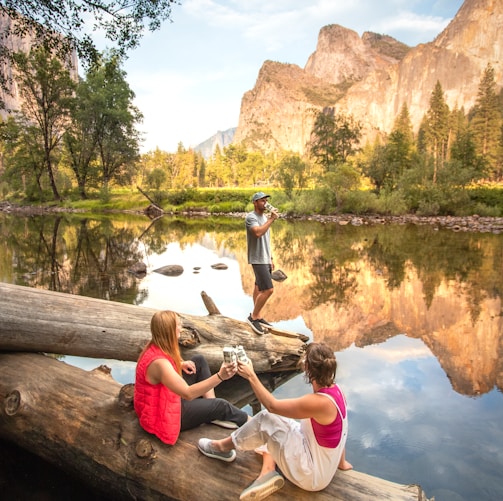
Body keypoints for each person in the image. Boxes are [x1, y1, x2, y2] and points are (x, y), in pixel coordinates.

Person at [197, 342, 352, 501]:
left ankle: (221, 447)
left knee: (266, 419)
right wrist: (341, 462)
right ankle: (268, 471)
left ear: (307, 367)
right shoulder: (336, 392)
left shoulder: (318, 402)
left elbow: (272, 406)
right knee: (278, 421)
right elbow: (342, 428)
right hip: (321, 465)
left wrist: (251, 376)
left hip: (312, 477)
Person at [134, 310, 249, 446]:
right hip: (162, 415)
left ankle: (211, 409)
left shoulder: (155, 346)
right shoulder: (160, 364)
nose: (181, 328)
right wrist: (220, 376)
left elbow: (165, 367)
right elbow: (187, 393)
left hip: (163, 400)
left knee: (198, 361)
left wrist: (181, 363)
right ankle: (251, 422)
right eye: (178, 325)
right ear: (170, 330)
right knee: (222, 405)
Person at [245, 191, 279, 335]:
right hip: (257, 259)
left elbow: (266, 240)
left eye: (266, 200)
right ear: (255, 202)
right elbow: (258, 233)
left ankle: (257, 316)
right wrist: (271, 220)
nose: (265, 203)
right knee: (269, 290)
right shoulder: (251, 217)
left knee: (258, 287)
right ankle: (253, 317)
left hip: (265, 258)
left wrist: (270, 258)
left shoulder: (264, 217)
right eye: (262, 201)